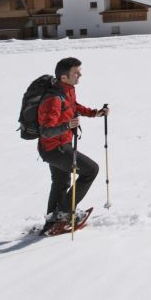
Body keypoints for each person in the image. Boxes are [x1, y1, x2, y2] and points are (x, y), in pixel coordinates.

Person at [37, 57, 108, 231]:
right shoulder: (53, 99)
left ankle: (52, 223)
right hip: (54, 148)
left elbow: (73, 106)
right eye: (76, 72)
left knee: (61, 182)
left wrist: (95, 113)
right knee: (91, 170)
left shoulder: (67, 90)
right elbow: (45, 131)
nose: (80, 75)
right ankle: (65, 212)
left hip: (62, 144)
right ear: (63, 77)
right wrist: (67, 125)